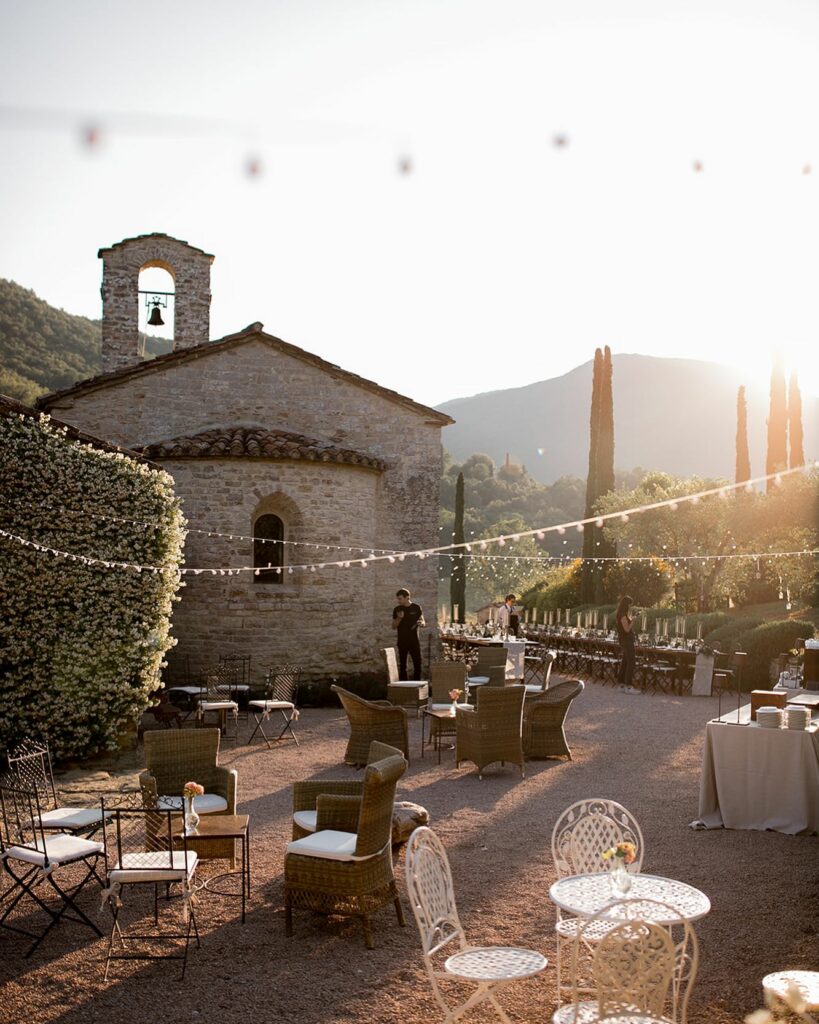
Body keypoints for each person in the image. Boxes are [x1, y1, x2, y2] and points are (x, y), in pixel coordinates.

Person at [392, 588, 425, 680]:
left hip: (414, 641)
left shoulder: (416, 607)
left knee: (417, 664)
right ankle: (404, 688)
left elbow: (422, 621)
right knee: (403, 666)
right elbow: (393, 626)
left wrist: (421, 623)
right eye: (398, 599)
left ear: (407, 597)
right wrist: (399, 618)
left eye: (400, 599)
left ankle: (417, 686)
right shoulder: (397, 609)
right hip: (402, 641)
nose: (399, 601)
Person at [615, 594, 639, 693]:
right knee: (631, 661)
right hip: (626, 640)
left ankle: (621, 684)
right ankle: (628, 686)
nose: (630, 606)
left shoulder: (621, 614)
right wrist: (633, 620)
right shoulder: (623, 615)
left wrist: (632, 618)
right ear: (626, 604)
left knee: (625, 661)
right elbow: (627, 629)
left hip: (624, 640)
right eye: (629, 604)